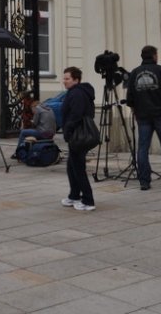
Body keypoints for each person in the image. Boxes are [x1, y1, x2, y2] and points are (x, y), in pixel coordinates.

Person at [126, 45, 161, 191]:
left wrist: (136, 114)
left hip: (143, 116)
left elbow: (130, 99)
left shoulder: (134, 73)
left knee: (143, 149)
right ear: (154, 55)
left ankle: (144, 181)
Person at [61, 66, 97, 211]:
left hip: (77, 135)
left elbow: (76, 114)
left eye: (67, 79)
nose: (64, 81)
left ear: (76, 80)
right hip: (77, 134)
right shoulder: (78, 91)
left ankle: (88, 200)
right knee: (72, 166)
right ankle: (74, 195)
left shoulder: (76, 93)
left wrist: (68, 129)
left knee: (78, 167)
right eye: (64, 78)